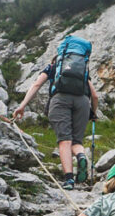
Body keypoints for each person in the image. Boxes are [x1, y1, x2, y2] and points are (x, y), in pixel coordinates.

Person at [12, 52, 98, 189]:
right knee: (76, 141)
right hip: (82, 102)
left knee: (65, 140)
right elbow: (94, 95)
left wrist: (22, 106)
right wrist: (93, 112)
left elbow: (36, 85)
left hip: (60, 100)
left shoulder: (52, 67)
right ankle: (81, 156)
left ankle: (69, 179)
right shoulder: (82, 71)